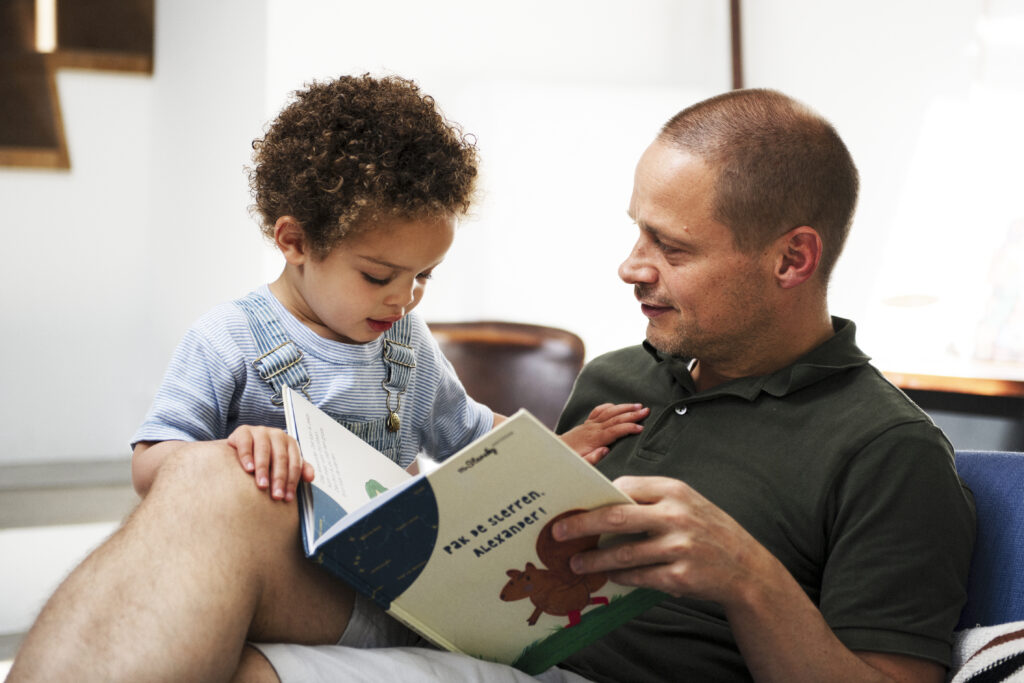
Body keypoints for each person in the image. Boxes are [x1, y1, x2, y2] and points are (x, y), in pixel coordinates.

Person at [6, 88, 975, 683]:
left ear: (792, 258)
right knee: (212, 480)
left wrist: (747, 575)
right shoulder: (618, 376)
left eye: (668, 246)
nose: (628, 266)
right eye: (635, 230)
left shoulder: (882, 448)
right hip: (486, 640)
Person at [130, 73, 646, 503]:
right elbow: (149, 465)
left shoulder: (406, 346)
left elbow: (470, 435)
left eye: (423, 275)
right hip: (273, 575)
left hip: (387, 582)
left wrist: (558, 449)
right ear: (295, 241)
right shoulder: (227, 338)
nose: (405, 299)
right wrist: (228, 454)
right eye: (378, 276)